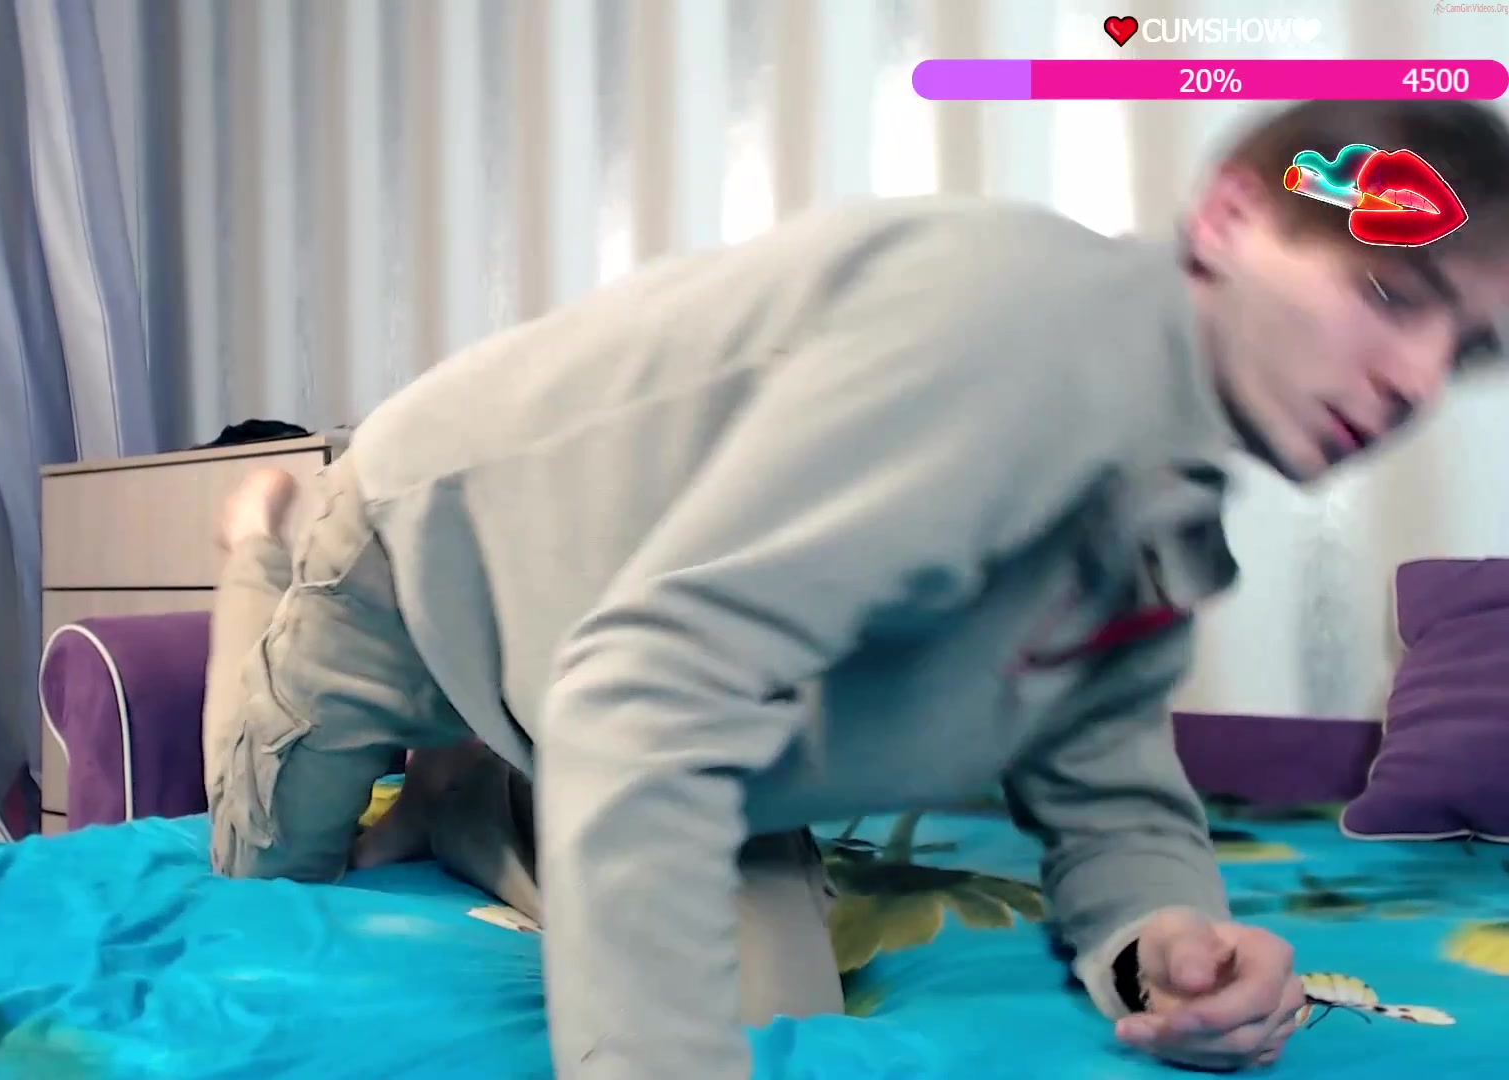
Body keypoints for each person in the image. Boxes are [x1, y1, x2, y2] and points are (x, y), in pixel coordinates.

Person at [201, 99, 1509, 1078]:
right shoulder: (1017, 321)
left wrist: (1167, 945)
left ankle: (473, 781)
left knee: (776, 1007)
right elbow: (652, 690)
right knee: (271, 866)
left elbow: (1110, 787)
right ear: (1226, 220)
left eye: (1463, 352)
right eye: (1391, 290)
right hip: (426, 531)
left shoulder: (1165, 507)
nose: (1414, 384)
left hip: (633, 671)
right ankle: (273, 547)